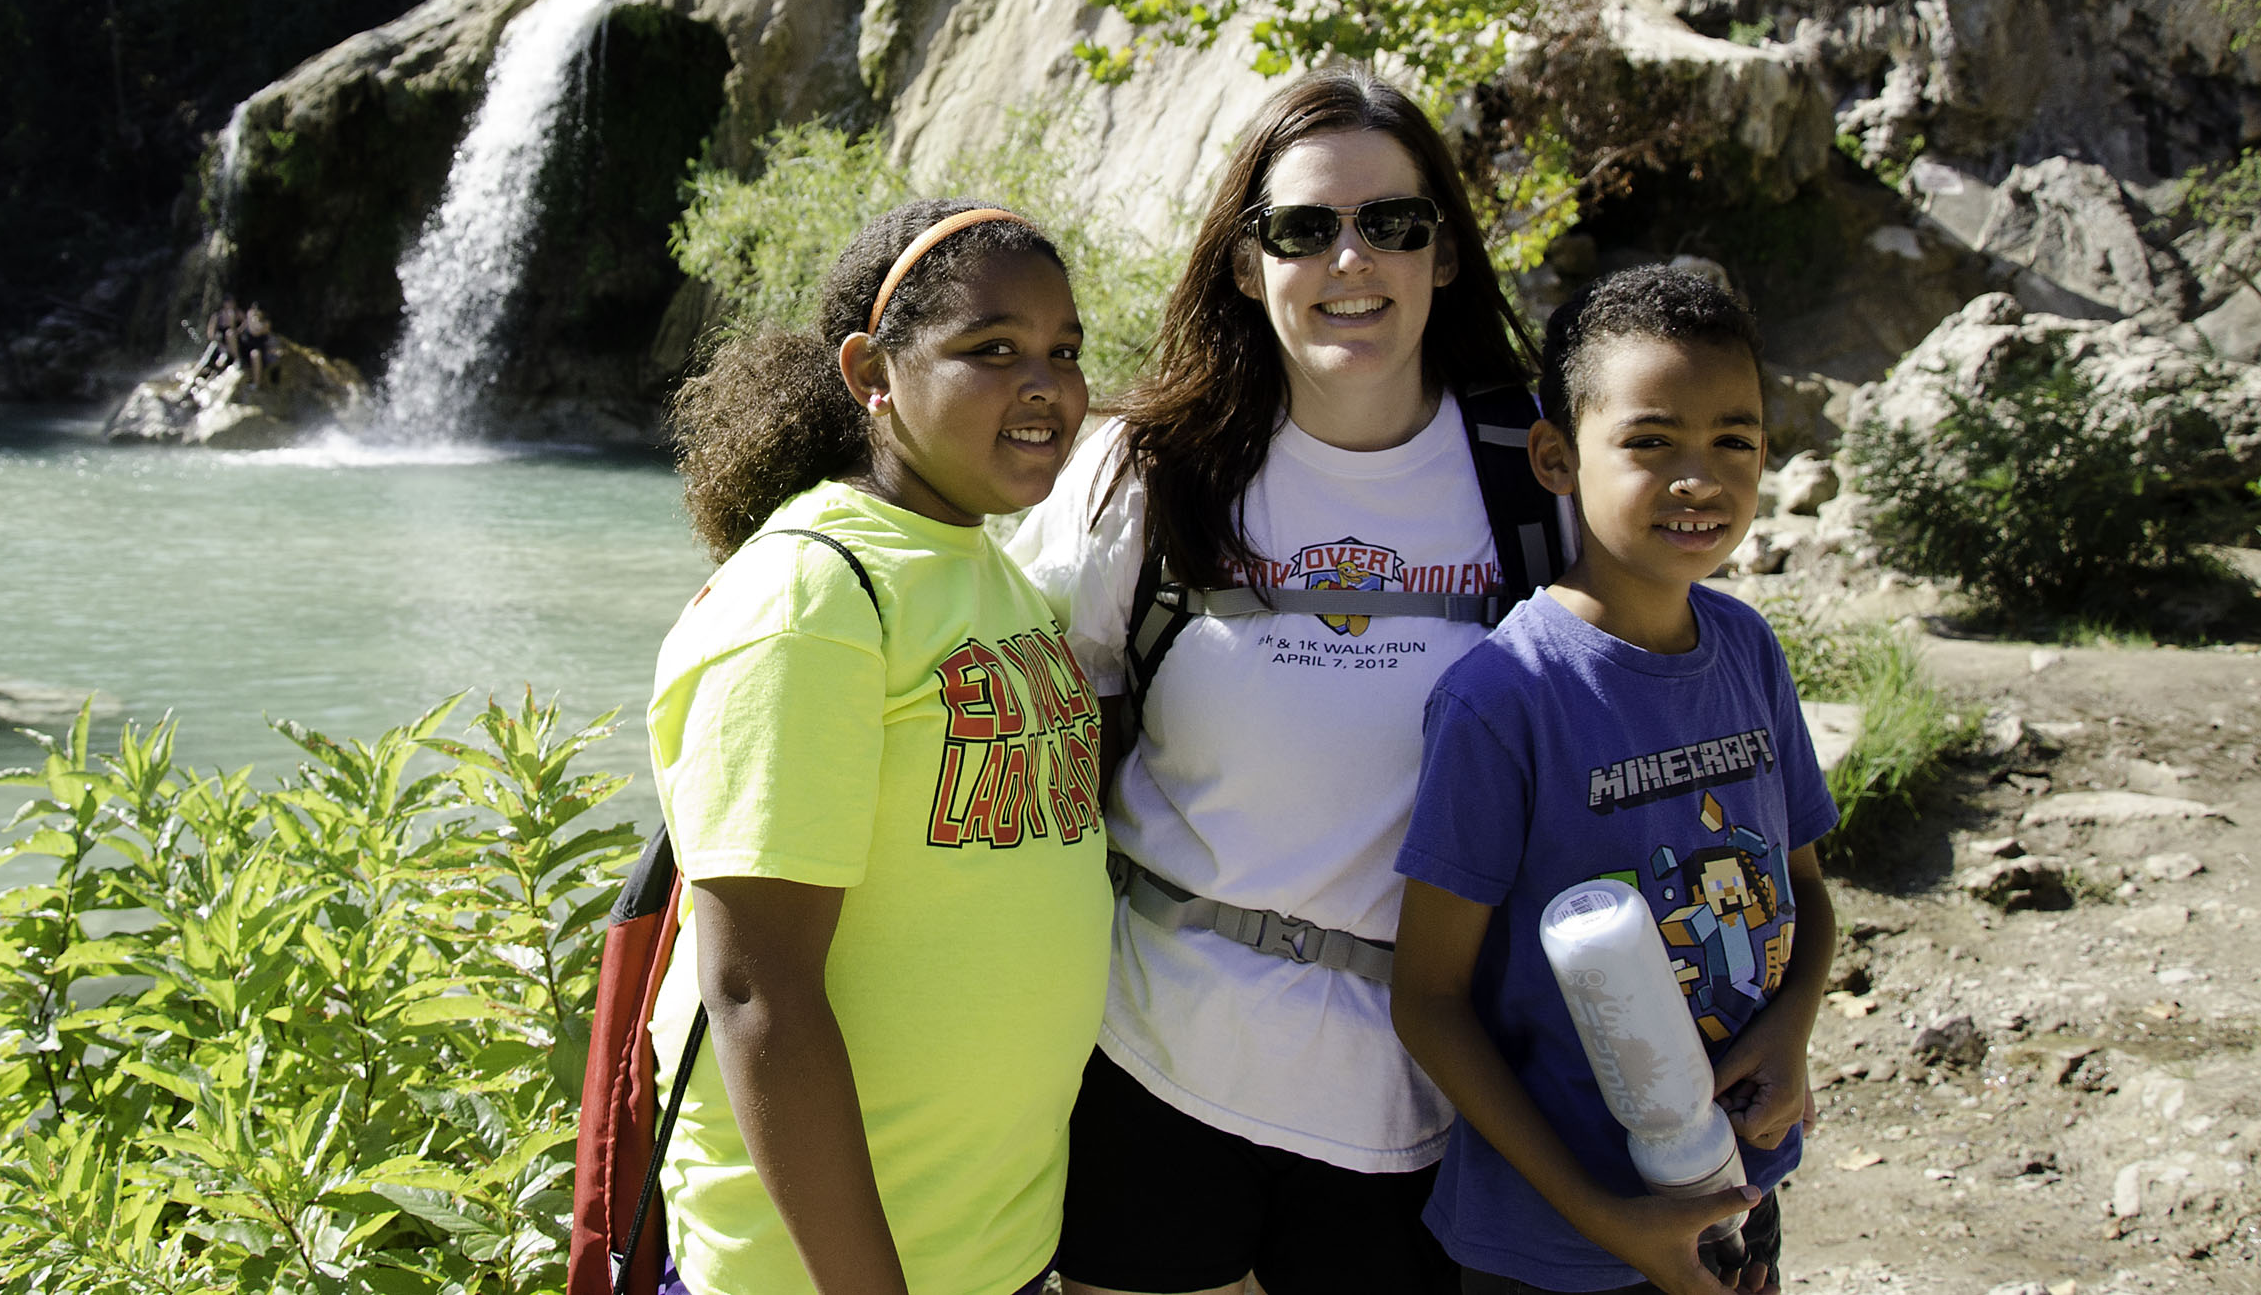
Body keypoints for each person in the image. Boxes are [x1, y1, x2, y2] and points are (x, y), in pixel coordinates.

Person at [1011, 70, 1554, 1295]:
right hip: (1152, 1062)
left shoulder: (1537, 481)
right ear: (1249, 264)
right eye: (1305, 228)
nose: (1350, 257)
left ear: (1445, 253)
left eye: (1393, 223)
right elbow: (1021, 713)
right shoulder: (1146, 475)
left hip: (1414, 1096)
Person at [646, 201, 1114, 1295]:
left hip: (993, 1252)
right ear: (872, 371)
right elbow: (756, 988)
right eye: (991, 349)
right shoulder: (812, 595)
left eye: (1064, 350)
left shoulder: (992, 572)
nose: (1045, 383)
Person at [1388, 266, 1840, 1295]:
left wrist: (1792, 1024)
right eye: (1649, 441)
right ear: (1557, 455)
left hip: (1741, 1192)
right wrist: (1604, 1216)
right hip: (1559, 1243)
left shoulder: (1748, 652)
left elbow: (1805, 893)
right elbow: (1429, 999)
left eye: (1735, 440)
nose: (1700, 478)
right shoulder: (1505, 696)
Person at [241, 302, 278, 389]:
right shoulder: (248, 320)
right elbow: (239, 331)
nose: (255, 312)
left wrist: (251, 320)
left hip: (261, 351)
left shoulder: (266, 323)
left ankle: (256, 383)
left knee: (255, 354)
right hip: (246, 348)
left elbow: (255, 332)